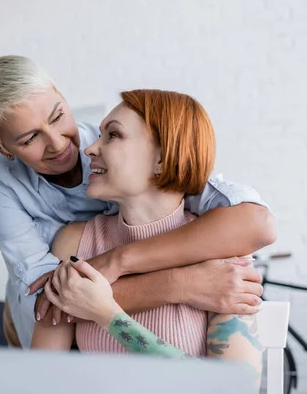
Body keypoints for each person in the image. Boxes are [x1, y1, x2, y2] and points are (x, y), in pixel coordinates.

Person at [0, 55, 275, 349]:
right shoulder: (6, 188)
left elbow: (255, 223)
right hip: (39, 327)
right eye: (28, 139)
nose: (60, 144)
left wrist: (118, 260)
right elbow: (56, 301)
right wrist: (181, 284)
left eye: (58, 116)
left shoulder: (121, 154)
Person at [30, 89, 262, 386]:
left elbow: (231, 387)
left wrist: (109, 316)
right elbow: (39, 379)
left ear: (164, 158)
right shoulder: (75, 243)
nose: (90, 149)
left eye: (112, 135)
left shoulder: (224, 256)